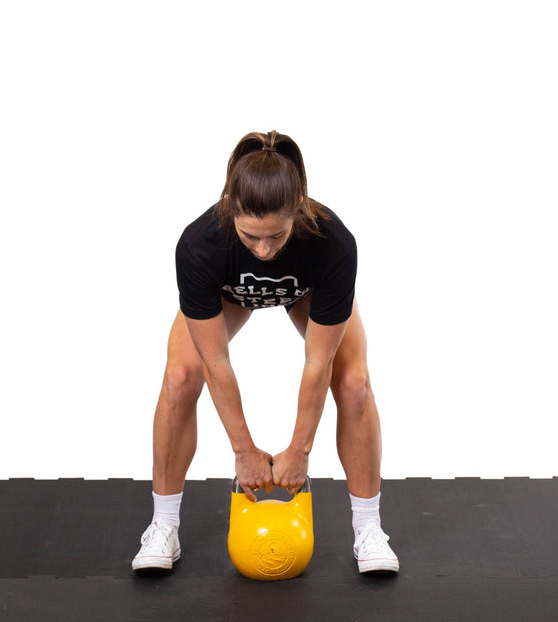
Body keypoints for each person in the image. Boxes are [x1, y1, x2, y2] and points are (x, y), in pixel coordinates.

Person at [132, 129, 399, 575]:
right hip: (228, 294)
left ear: (297, 209)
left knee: (354, 383)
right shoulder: (199, 247)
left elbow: (319, 363)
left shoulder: (333, 244)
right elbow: (215, 362)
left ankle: (369, 530)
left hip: (307, 292)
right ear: (230, 210)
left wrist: (300, 449)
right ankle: (164, 526)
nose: (263, 249)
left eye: (275, 236)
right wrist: (243, 450)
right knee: (180, 377)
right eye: (250, 237)